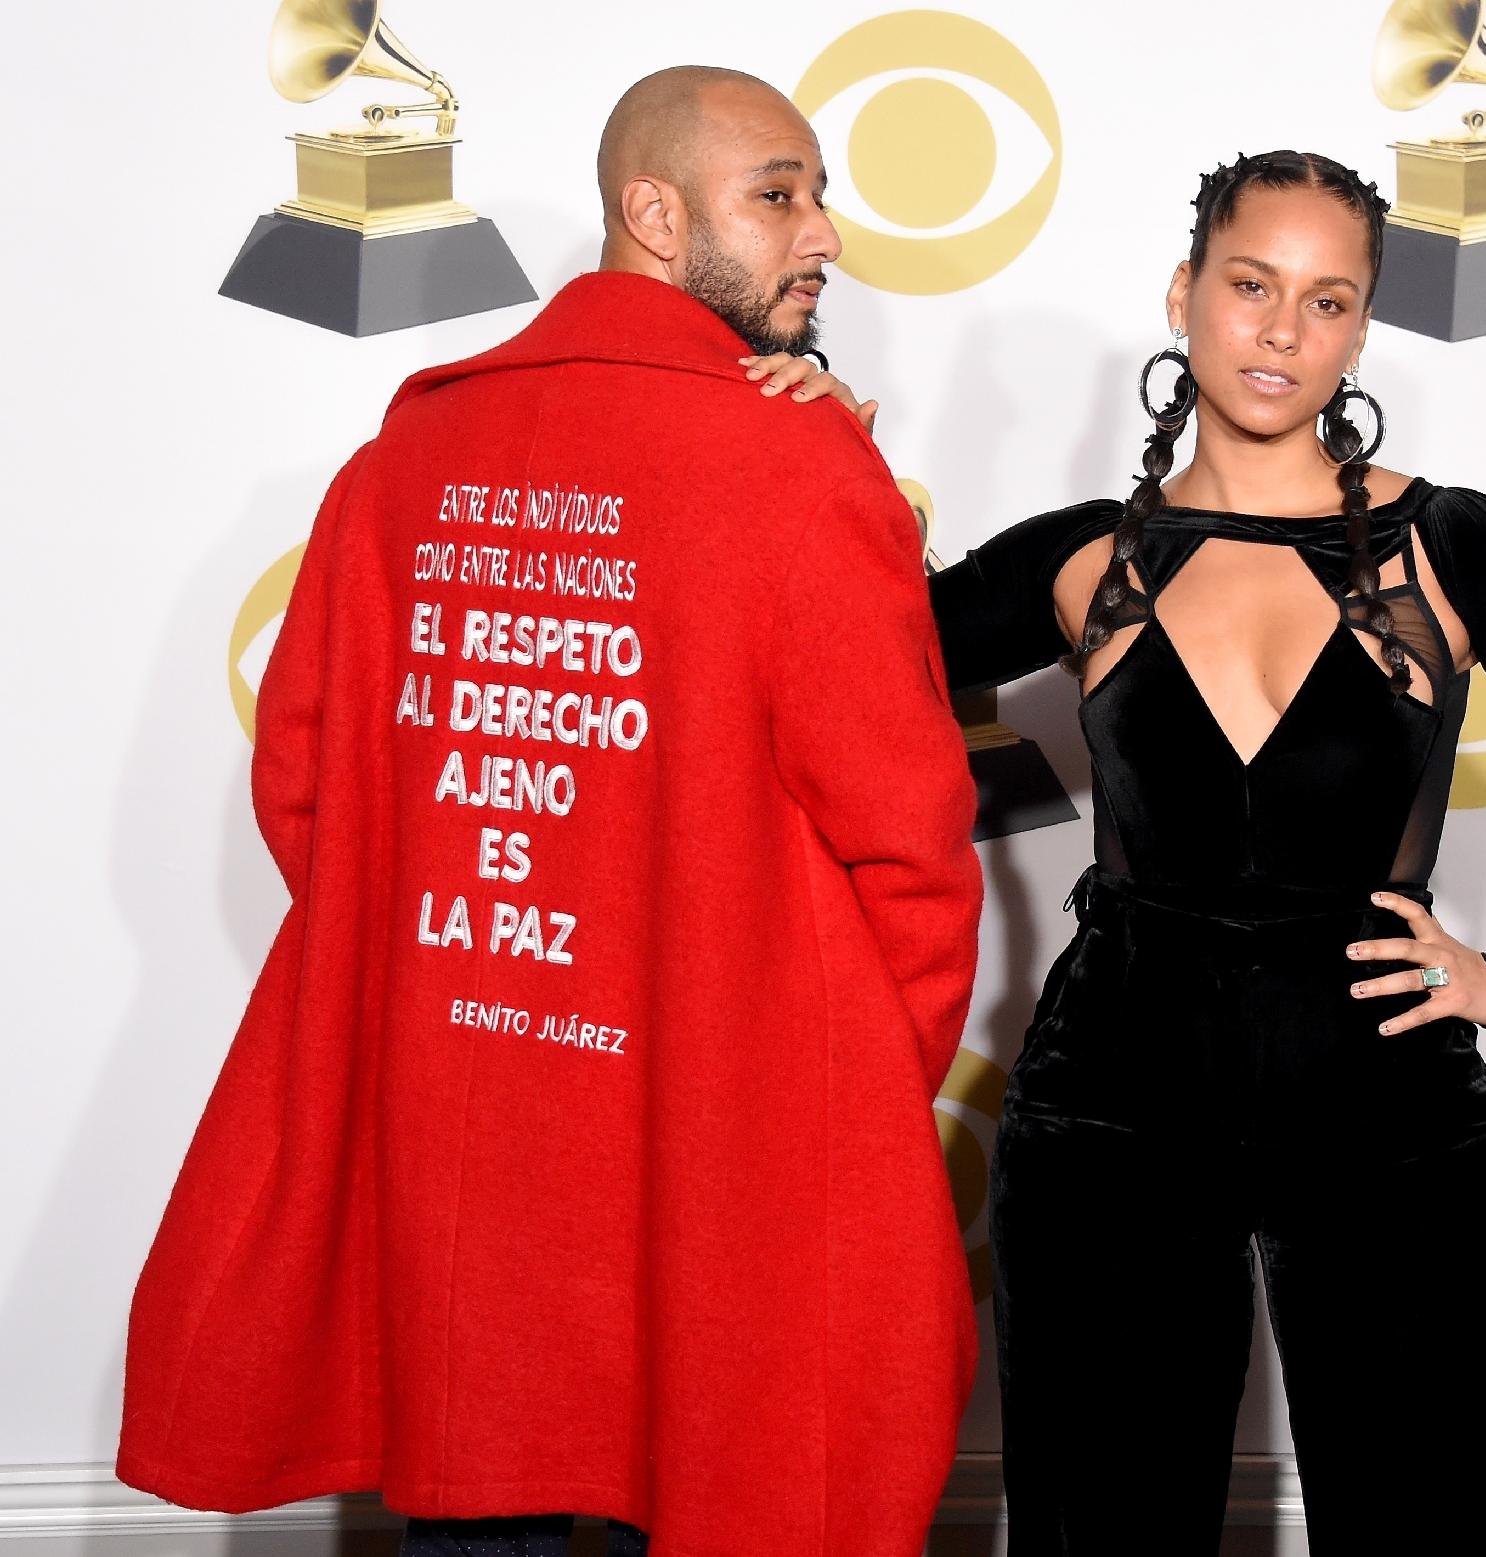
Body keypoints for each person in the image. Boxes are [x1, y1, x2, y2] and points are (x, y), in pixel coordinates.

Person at [116, 66, 983, 1557]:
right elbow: (911, 853)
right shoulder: (794, 468)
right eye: (779, 192)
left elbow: (311, 788)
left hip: (463, 1140)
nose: (823, 233)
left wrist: (480, 970)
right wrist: (820, 1102)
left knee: (476, 1504)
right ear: (653, 213)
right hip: (715, 1158)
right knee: (723, 1494)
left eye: (818, 194)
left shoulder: (400, 468)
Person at [922, 151, 1486, 1553]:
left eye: (1328, 299)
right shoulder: (1080, 560)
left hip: (1388, 1114)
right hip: (1112, 1111)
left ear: (1360, 330)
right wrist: (789, 444)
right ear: (1186, 294)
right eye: (1251, 285)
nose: (1284, 330)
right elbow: (825, 651)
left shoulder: (1449, 547)